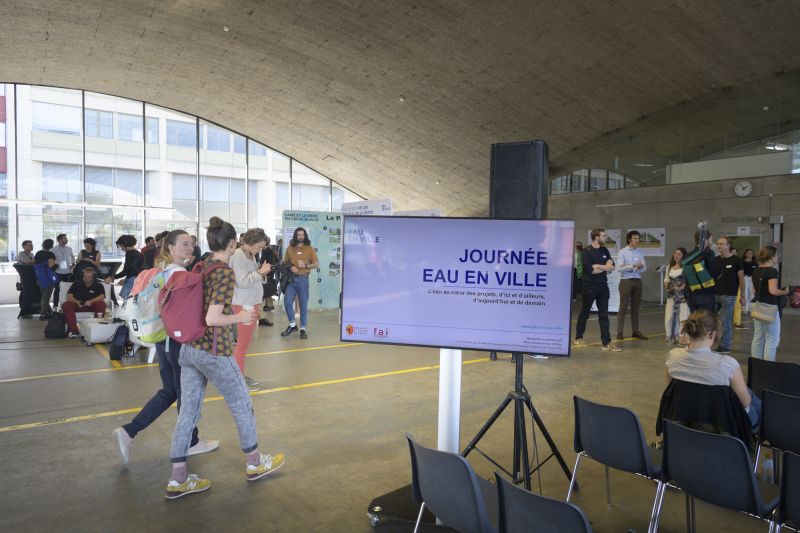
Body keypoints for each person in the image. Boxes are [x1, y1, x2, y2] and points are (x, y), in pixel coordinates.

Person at [165, 217, 285, 500]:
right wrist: (240, 316)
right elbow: (213, 317)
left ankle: (178, 478)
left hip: (189, 349)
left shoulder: (200, 265)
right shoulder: (223, 271)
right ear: (232, 243)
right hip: (213, 350)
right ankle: (255, 463)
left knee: (188, 413)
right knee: (242, 403)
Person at [113, 230, 218, 464]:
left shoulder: (161, 270)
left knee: (170, 391)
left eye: (192, 244)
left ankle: (129, 431)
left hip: (162, 339)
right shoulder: (179, 274)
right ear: (170, 247)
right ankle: (190, 443)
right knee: (185, 394)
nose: (190, 248)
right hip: (176, 341)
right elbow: (185, 313)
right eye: (185, 244)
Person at [665, 309, 761, 429]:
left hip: (685, 417)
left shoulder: (673, 356)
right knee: (753, 400)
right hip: (721, 424)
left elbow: (671, 388)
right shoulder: (727, 364)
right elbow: (745, 403)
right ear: (711, 334)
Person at [230, 227, 272, 391]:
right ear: (251, 242)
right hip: (244, 303)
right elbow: (242, 281)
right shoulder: (239, 255)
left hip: (250, 301)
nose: (260, 250)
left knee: (244, 343)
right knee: (242, 343)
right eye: (259, 246)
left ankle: (239, 374)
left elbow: (251, 277)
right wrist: (260, 272)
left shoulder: (249, 254)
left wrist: (260, 272)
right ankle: (238, 380)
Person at [574, 228, 621, 352]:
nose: (605, 238)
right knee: (585, 312)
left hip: (603, 287)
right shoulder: (586, 252)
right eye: (603, 236)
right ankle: (578, 337)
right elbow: (590, 270)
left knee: (603, 314)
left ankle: (607, 342)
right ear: (596, 237)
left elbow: (612, 267)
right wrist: (605, 267)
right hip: (589, 286)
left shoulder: (604, 250)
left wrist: (600, 266)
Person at [750, 246, 788, 362]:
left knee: (758, 338)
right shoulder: (772, 271)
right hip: (770, 308)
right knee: (772, 339)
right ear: (771, 257)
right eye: (777, 255)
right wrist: (785, 291)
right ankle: (768, 368)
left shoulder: (755, 271)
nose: (778, 257)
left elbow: (754, 291)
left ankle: (756, 365)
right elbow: (773, 291)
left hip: (757, 307)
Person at [281, 227, 318, 340]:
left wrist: (306, 266)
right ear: (295, 236)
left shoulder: (310, 249)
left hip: (303, 279)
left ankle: (303, 328)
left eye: (302, 235)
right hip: (291, 280)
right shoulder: (289, 249)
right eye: (298, 235)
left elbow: (316, 264)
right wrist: (291, 267)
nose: (300, 237)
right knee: (287, 302)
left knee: (303, 305)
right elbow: (284, 263)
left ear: (305, 236)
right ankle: (293, 325)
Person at [712, 236, 744, 355]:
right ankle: (711, 343)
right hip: (715, 294)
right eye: (718, 244)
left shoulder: (736, 260)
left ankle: (725, 347)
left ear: (728, 245)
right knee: (711, 321)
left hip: (729, 296)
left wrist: (743, 296)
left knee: (725, 322)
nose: (719, 246)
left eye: (722, 244)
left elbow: (741, 279)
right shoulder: (716, 260)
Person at [616, 230, 647, 340]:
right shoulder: (622, 252)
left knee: (636, 308)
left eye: (638, 238)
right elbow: (619, 268)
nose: (637, 240)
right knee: (623, 307)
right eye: (635, 238)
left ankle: (635, 331)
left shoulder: (640, 252)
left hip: (637, 280)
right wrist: (633, 266)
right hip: (626, 281)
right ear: (629, 239)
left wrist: (636, 267)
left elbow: (644, 267)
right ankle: (619, 332)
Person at [62, 268, 107, 338]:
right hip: (78, 305)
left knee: (101, 304)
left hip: (91, 305)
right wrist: (76, 302)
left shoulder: (98, 285)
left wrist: (91, 301)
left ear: (93, 277)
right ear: (83, 276)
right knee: (66, 305)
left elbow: (102, 296)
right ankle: (74, 331)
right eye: (85, 276)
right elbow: (69, 296)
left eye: (89, 276)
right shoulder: (76, 284)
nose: (87, 278)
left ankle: (96, 327)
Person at [684, 228, 719, 313]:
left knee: (695, 321)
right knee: (706, 321)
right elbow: (714, 272)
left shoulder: (688, 255)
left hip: (692, 294)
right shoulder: (708, 252)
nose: (711, 242)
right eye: (710, 240)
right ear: (705, 240)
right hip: (706, 293)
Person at [664, 247, 689, 345]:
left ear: (683, 256)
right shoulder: (669, 267)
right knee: (669, 316)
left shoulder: (686, 267)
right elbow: (666, 279)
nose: (676, 255)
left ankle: (682, 337)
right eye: (675, 253)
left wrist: (682, 287)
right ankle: (670, 336)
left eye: (679, 254)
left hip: (682, 296)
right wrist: (667, 286)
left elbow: (689, 280)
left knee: (682, 316)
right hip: (671, 296)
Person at [34, 239, 57, 319]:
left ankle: (46, 312)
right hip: (48, 277)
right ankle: (43, 314)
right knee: (46, 296)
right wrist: (55, 264)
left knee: (43, 295)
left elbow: (34, 263)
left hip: (39, 276)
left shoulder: (38, 253)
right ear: (51, 245)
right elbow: (51, 265)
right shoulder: (50, 254)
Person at [52, 233, 75, 308]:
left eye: (66, 238)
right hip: (58, 272)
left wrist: (73, 264)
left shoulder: (69, 249)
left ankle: (67, 305)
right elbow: (51, 259)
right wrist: (55, 264)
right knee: (57, 289)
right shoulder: (53, 249)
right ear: (59, 240)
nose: (66, 240)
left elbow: (72, 257)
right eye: (65, 238)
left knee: (68, 289)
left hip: (68, 272)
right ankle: (55, 305)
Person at [741, 248, 756, 315]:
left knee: (752, 295)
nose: (750, 255)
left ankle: (751, 309)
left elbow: (756, 271)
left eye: (751, 253)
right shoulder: (742, 262)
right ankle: (744, 309)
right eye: (749, 253)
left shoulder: (755, 263)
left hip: (752, 280)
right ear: (745, 254)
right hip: (744, 279)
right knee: (745, 294)